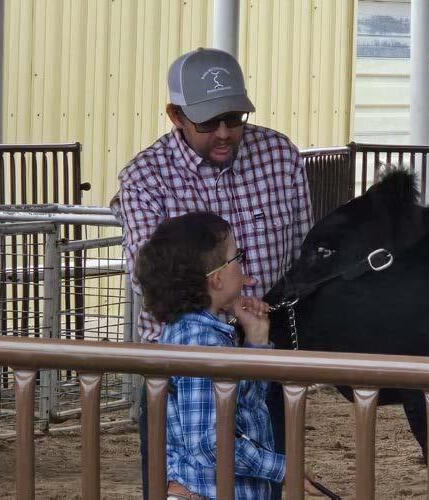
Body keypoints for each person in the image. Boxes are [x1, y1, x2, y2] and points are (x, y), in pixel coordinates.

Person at [110, 47, 312, 498]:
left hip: (260, 350)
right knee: (195, 473)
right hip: (184, 363)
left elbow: (300, 251)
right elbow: (149, 278)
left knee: (257, 479)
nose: (224, 133)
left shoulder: (280, 155)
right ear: (176, 115)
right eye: (207, 123)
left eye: (233, 118)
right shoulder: (145, 177)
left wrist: (257, 336)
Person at [136, 213, 321, 499]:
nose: (244, 267)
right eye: (238, 257)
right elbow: (209, 444)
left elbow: (246, 404)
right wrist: (282, 468)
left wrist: (256, 339)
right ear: (217, 278)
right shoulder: (199, 343)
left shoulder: (202, 333)